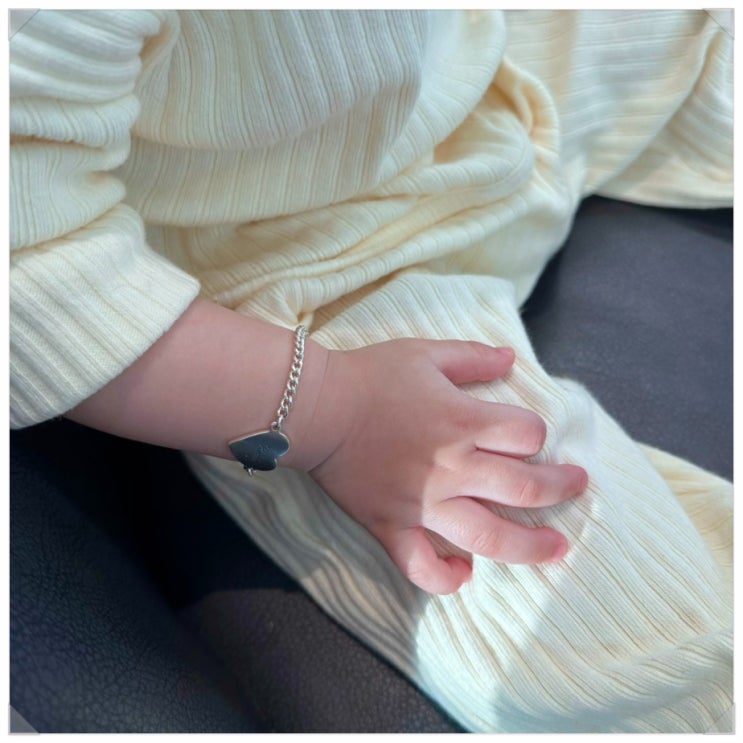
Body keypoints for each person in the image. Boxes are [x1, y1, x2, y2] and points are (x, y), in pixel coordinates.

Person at [10, 9, 733, 733]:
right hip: (311, 273)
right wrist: (336, 414)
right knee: (605, 623)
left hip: (485, 64)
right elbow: (30, 271)